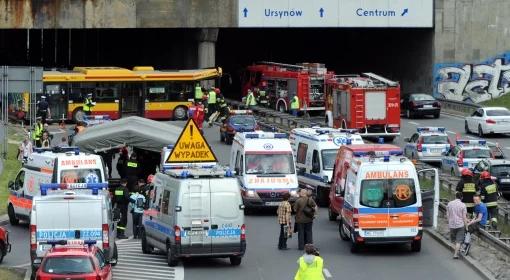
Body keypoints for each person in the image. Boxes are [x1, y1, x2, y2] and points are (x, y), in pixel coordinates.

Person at [447, 192, 468, 259]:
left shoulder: (449, 204)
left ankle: (457, 249)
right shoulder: (463, 205)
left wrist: (449, 222)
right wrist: (466, 226)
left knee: (453, 240)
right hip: (460, 225)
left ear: (455, 196)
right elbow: (464, 217)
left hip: (452, 225)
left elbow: (447, 215)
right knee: (459, 241)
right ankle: (455, 254)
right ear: (462, 197)